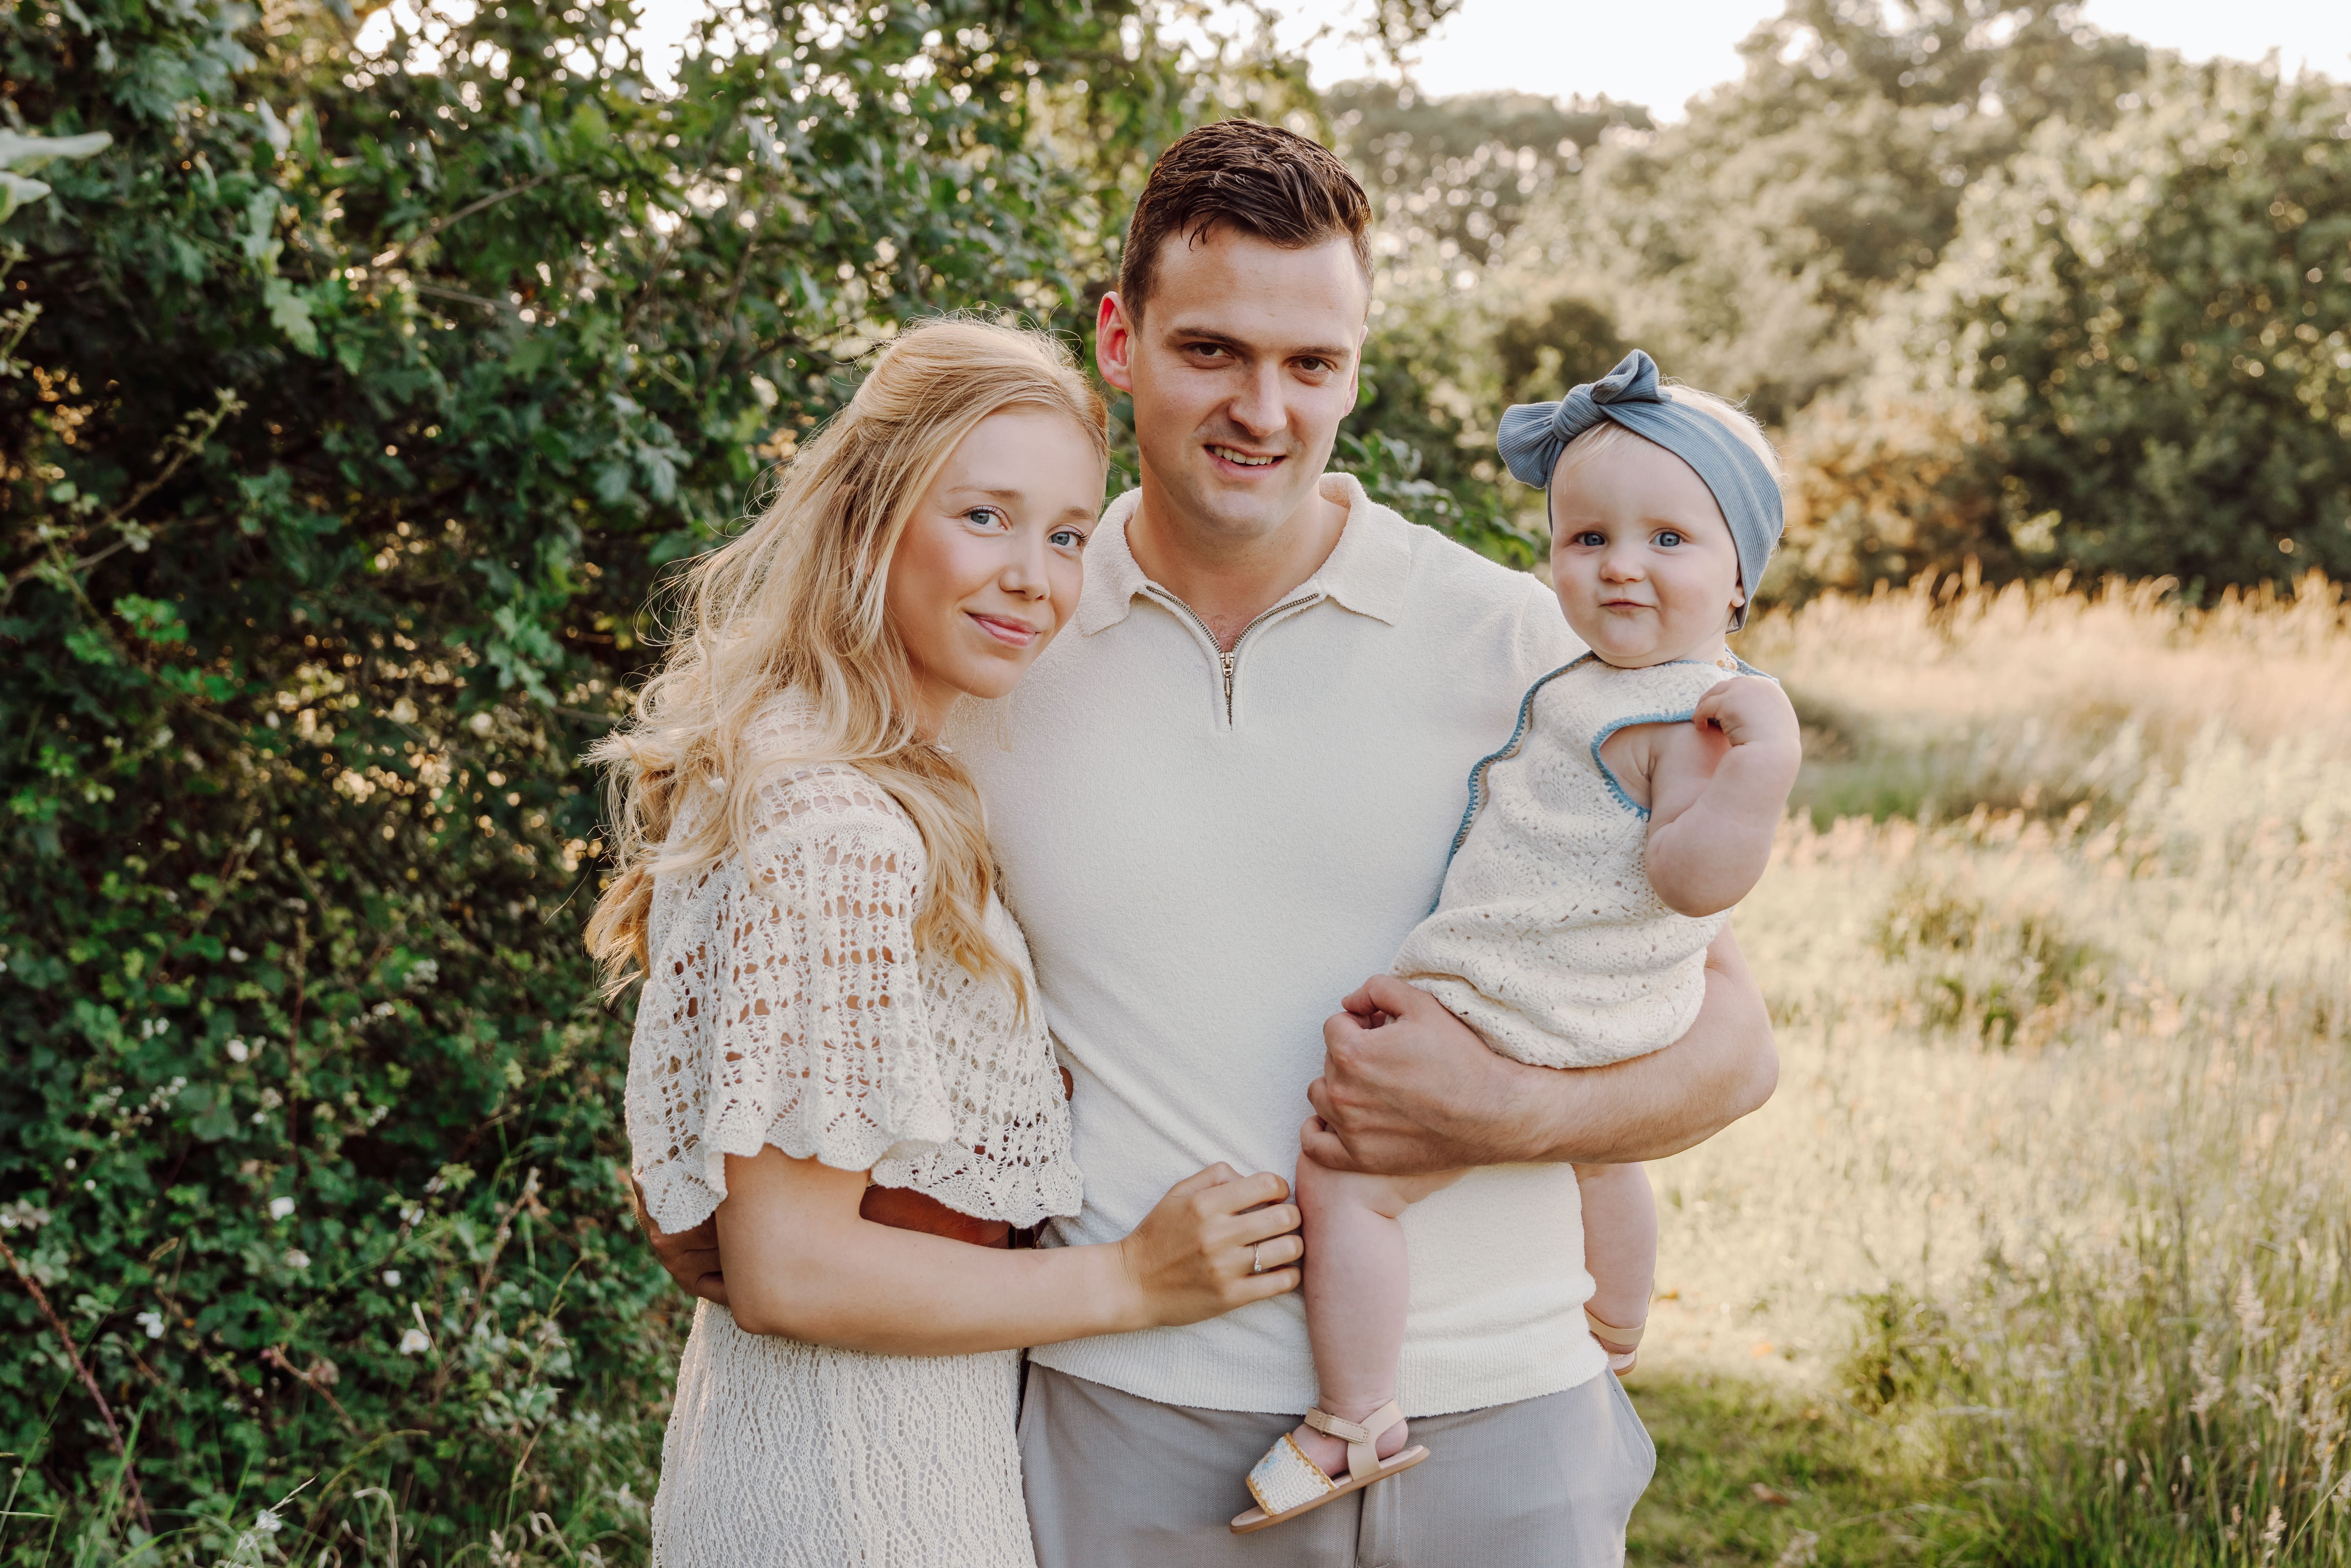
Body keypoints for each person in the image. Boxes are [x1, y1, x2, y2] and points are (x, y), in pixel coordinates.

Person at [643, 122, 1779, 1567]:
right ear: (1120, 339)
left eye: (1314, 364)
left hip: (1505, 1409)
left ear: (1358, 364)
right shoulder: (1000, 646)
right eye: (1213, 351)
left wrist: (1503, 1115)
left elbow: (1732, 1038)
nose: (1265, 409)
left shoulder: (1526, 643)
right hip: (1136, 1424)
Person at [590, 318, 1305, 1568]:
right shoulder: (838, 826)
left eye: (1069, 534)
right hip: (857, 1490)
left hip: (828, 1446)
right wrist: (1135, 1281)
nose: (1036, 575)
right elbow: (791, 1267)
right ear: (871, 516)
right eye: (986, 516)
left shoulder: (861, 763)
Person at [1234, 348, 1803, 1532]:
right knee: (1607, 1155)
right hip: (1587, 1006)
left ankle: (1356, 1415)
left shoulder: (1700, 711)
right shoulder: (1594, 677)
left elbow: (1696, 879)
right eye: (1587, 540)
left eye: (1669, 542)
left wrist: (1763, 768)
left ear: (1740, 576)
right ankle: (1617, 1324)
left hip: (1531, 1001)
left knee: (1346, 1180)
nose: (1622, 568)